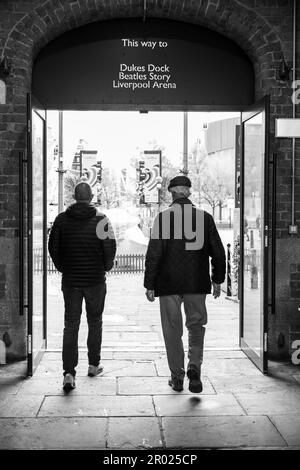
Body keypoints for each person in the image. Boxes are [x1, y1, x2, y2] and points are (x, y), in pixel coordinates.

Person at [144, 175, 226, 393]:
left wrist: (149, 283)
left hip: (168, 283)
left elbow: (154, 254)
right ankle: (194, 366)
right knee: (196, 326)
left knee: (172, 330)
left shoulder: (162, 218)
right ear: (189, 192)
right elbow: (218, 252)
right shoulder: (205, 218)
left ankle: (177, 376)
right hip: (196, 282)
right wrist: (218, 279)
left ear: (172, 193)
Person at [48, 182, 116, 391]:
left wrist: (63, 267)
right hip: (95, 280)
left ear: (74, 197)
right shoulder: (101, 220)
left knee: (71, 325)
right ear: (91, 196)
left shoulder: (61, 220)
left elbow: (53, 247)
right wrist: (104, 267)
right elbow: (110, 248)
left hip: (71, 282)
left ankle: (69, 373)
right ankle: (94, 365)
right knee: (95, 322)